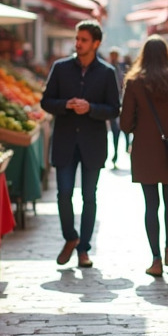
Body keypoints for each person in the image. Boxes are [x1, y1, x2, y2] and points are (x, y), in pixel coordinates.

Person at [40, 20, 120, 268]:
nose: (78, 43)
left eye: (83, 40)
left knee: (89, 197)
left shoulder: (107, 72)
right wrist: (64, 104)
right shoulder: (60, 68)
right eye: (77, 39)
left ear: (96, 43)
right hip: (65, 142)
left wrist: (91, 108)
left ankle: (84, 249)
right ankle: (70, 237)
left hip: (92, 144)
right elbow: (45, 101)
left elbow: (114, 109)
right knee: (63, 194)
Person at [119, 36, 168, 277]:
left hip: (145, 151)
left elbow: (125, 124)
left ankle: (156, 259)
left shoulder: (134, 83)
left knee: (151, 205)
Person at [107, 47, 128, 167]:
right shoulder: (107, 68)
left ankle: (125, 147)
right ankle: (115, 154)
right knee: (115, 130)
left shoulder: (120, 67)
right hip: (113, 103)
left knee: (122, 127)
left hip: (121, 101)